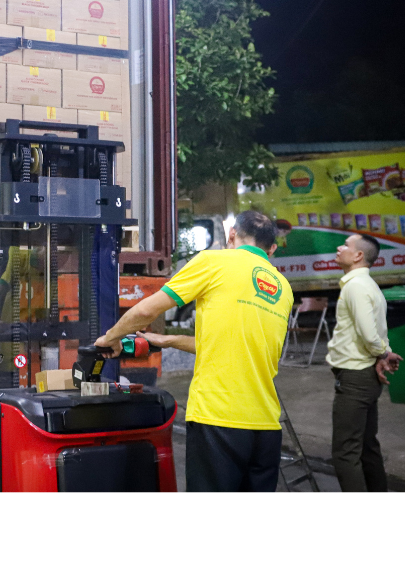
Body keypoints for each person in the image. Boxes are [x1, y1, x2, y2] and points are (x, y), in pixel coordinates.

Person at [95, 210, 293, 492]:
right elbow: (234, 345)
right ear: (271, 249)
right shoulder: (283, 287)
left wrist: (111, 338)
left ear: (232, 235)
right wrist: (170, 340)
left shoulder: (215, 261)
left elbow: (147, 310)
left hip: (219, 419)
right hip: (266, 427)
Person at [326, 233, 403, 492]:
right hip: (366, 376)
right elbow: (379, 330)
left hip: (355, 378)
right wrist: (384, 352)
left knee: (345, 453)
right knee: (367, 446)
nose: (339, 248)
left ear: (358, 255)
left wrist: (382, 353)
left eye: (346, 245)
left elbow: (370, 335)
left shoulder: (356, 287)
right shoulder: (368, 285)